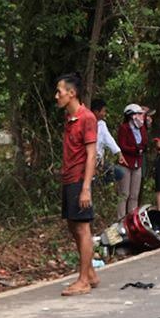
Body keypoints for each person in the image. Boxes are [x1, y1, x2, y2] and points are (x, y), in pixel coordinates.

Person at [53, 74, 99, 294]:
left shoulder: (87, 118)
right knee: (73, 226)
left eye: (59, 92)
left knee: (82, 228)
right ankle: (90, 272)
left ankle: (83, 281)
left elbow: (91, 155)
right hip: (69, 178)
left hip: (80, 180)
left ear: (71, 93)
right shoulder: (69, 118)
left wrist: (86, 188)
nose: (56, 96)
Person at [89, 96, 127, 219]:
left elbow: (109, 140)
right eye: (103, 111)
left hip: (99, 161)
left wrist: (119, 153)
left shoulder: (102, 124)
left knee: (119, 173)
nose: (105, 113)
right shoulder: (86, 122)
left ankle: (99, 183)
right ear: (96, 111)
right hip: (88, 161)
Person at [114, 104, 146, 219]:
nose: (141, 116)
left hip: (138, 163)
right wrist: (135, 149)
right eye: (138, 114)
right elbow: (122, 145)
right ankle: (121, 219)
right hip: (126, 163)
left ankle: (133, 219)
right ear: (131, 115)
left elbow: (144, 143)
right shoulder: (124, 128)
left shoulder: (142, 128)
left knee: (134, 195)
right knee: (124, 194)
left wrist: (140, 149)